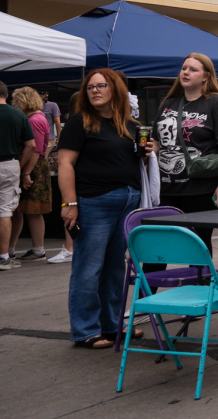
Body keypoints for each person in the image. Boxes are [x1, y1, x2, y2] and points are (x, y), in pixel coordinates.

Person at [57, 69, 144, 347]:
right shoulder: (79, 122)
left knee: (116, 268)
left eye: (101, 86)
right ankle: (85, 330)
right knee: (89, 267)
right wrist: (69, 204)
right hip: (94, 202)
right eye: (90, 87)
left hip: (128, 203)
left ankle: (112, 325)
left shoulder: (129, 124)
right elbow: (65, 164)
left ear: (115, 89)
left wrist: (147, 150)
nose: (94, 90)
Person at [151, 53, 218, 254]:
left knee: (198, 247)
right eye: (184, 68)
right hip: (165, 190)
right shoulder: (168, 103)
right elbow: (156, 143)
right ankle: (147, 287)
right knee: (157, 248)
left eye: (193, 69)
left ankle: (201, 285)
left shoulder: (216, 102)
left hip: (200, 189)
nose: (186, 73)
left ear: (206, 76)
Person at [10, 88, 51, 261]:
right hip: (33, 167)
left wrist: (25, 172)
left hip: (33, 168)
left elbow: (35, 149)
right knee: (21, 210)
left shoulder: (34, 120)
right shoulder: (38, 117)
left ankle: (37, 250)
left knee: (33, 210)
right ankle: (12, 248)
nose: (14, 105)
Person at [0, 81, 35, 271]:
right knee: (5, 211)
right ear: (7, 94)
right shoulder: (18, 114)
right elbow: (31, 144)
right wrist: (20, 165)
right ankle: (3, 256)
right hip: (9, 164)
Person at [47, 91, 82, 265]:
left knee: (69, 213)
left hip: (74, 178)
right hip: (82, 178)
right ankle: (71, 248)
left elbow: (65, 160)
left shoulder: (74, 125)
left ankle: (70, 249)